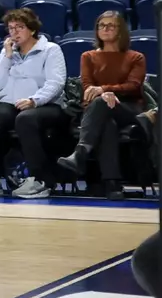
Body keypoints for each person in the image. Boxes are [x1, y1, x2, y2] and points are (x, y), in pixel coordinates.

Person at [0, 8, 68, 199]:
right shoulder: (7, 51)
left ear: (32, 29)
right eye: (11, 28)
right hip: (12, 102)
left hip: (46, 104)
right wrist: (7, 57)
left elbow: (56, 83)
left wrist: (35, 100)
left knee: (26, 119)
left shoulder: (50, 49)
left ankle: (38, 180)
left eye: (19, 27)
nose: (14, 32)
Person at [57, 12, 148, 200]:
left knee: (102, 102)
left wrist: (105, 90)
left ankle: (80, 154)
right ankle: (112, 184)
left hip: (128, 108)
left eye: (111, 26)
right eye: (101, 25)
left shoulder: (135, 57)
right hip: (97, 109)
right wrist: (101, 93)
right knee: (107, 124)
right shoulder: (88, 56)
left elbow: (133, 86)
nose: (105, 29)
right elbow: (87, 86)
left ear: (121, 30)